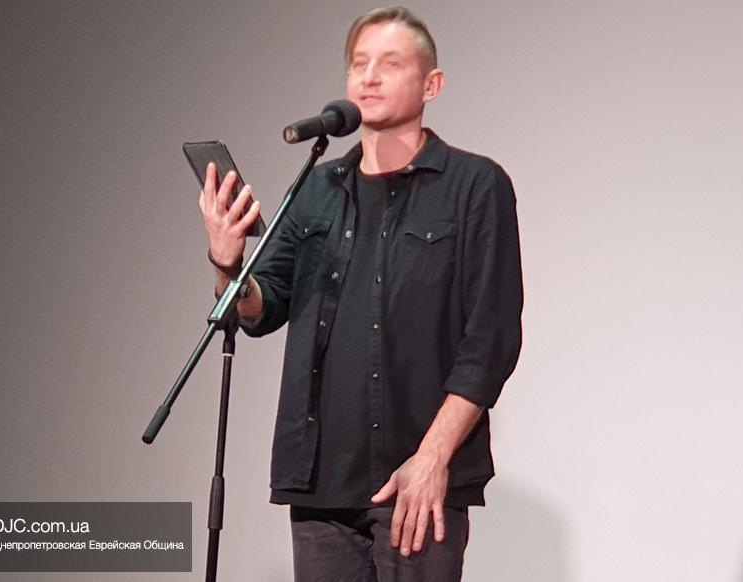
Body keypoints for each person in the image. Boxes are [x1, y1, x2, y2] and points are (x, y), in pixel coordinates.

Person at [198, 6, 522, 581]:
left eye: (389, 64)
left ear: (431, 85)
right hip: (320, 480)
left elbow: (490, 341)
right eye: (358, 64)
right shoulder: (316, 188)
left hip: (414, 480)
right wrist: (228, 260)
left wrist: (432, 458)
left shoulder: (475, 186)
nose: (368, 77)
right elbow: (257, 310)